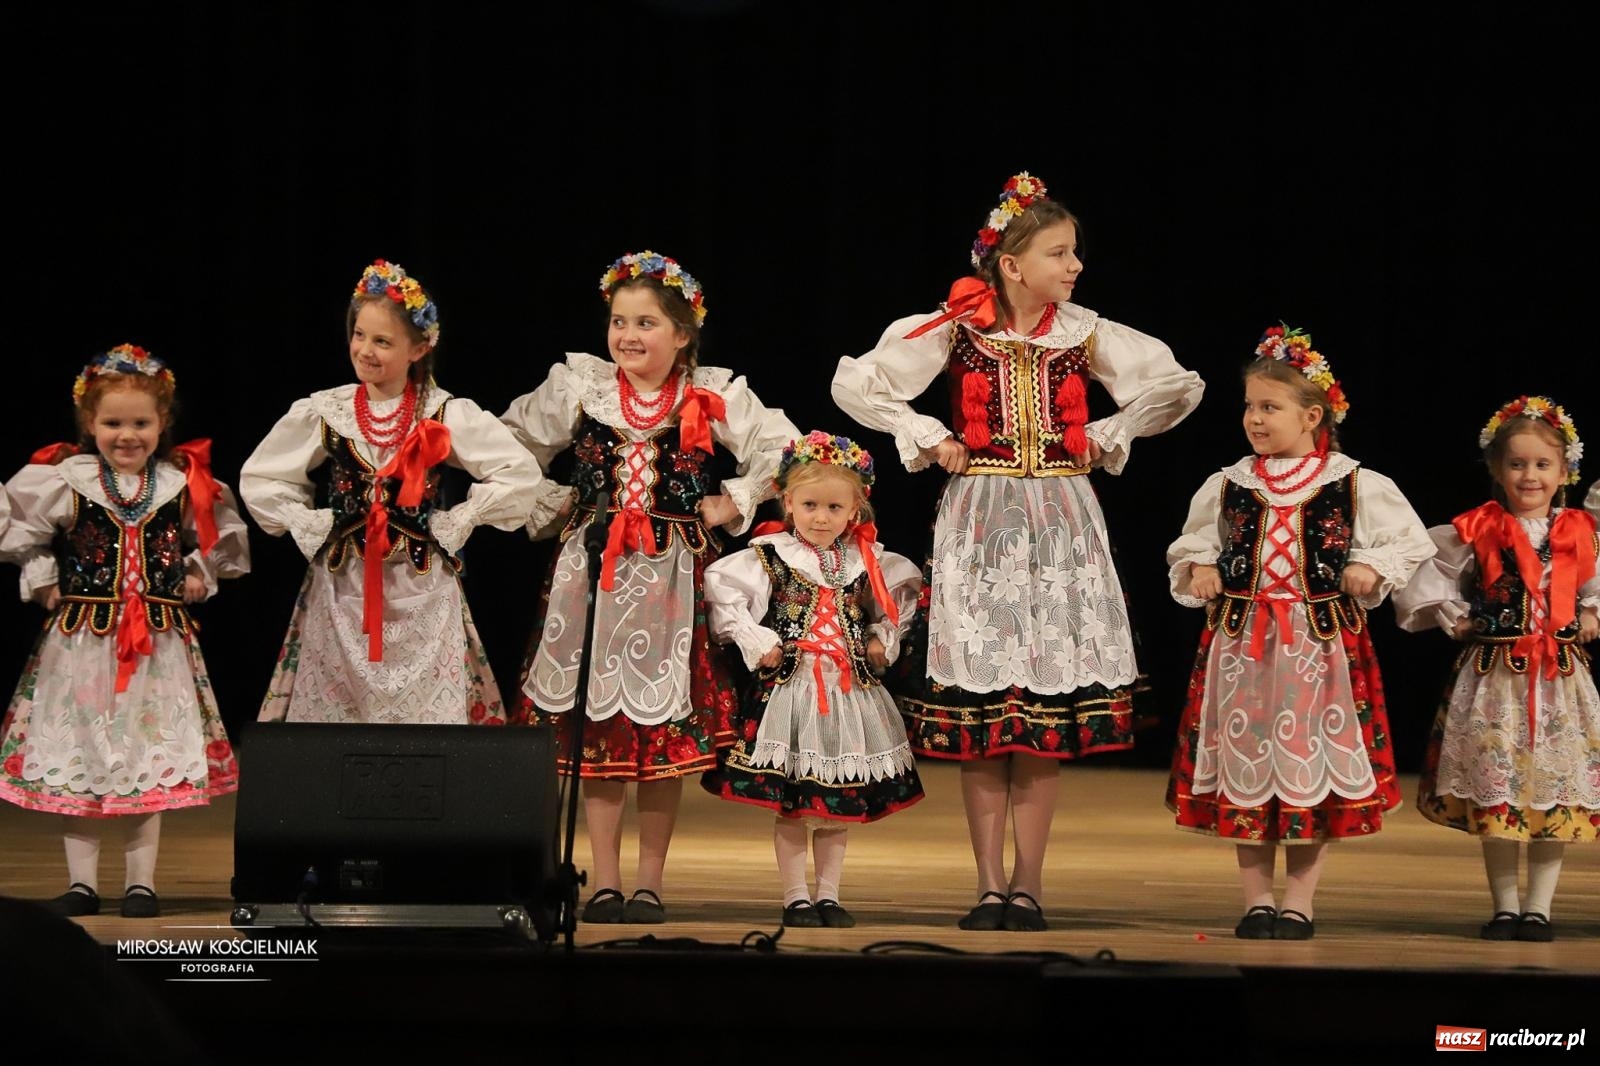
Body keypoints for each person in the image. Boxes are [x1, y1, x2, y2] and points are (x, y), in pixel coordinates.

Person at [832, 173, 1203, 930]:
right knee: (983, 712)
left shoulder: (1084, 331)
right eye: (1060, 254)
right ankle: (987, 883)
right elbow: (861, 380)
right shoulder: (957, 327)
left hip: (1062, 519)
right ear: (1012, 263)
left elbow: (1173, 384)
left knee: (1041, 710)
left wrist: (1105, 434)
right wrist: (928, 435)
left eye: (1075, 254)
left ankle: (1028, 884)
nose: (1074, 267)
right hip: (982, 520)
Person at [502, 251, 798, 923]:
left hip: (670, 580)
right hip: (593, 575)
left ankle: (650, 882)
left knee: (657, 738)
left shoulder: (713, 390)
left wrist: (734, 501)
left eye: (646, 323)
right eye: (618, 321)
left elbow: (783, 449)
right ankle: (603, 877)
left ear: (684, 334)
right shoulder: (582, 385)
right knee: (599, 728)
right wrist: (555, 503)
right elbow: (507, 442)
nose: (628, 336)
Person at [1165, 326, 1433, 939]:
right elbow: (1192, 542)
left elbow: (1410, 540)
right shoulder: (1231, 482)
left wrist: (1370, 566)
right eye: (1250, 407)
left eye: (1270, 407)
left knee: (1307, 769)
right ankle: (1258, 899)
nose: (1255, 419)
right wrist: (1202, 567)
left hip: (1318, 649)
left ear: (1312, 415)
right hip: (1244, 647)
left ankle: (1300, 903)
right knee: (1248, 765)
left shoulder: (1351, 481)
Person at [0, 345, 249, 918]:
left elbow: (219, 541)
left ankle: (142, 883)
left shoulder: (179, 482)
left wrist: (196, 573)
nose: (127, 435)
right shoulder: (68, 478)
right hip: (84, 644)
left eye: (141, 422)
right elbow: (24, 531)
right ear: (90, 424)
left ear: (163, 423)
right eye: (113, 423)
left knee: (143, 756)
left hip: (158, 647)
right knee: (83, 759)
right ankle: (82, 883)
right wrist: (42, 580)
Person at [241, 259, 546, 724]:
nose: (365, 349)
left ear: (419, 347)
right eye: (359, 334)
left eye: (382, 341)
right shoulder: (328, 411)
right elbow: (263, 477)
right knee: (340, 712)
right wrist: (305, 518)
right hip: (344, 585)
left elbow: (518, 472)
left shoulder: (443, 411)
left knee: (422, 716)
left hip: (419, 585)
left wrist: (461, 518)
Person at [1394, 396, 1598, 941]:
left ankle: (1540, 908)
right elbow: (1428, 573)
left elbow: (1593, 583)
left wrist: (1593, 610)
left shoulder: (1580, 530)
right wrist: (1453, 616)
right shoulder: (1479, 527)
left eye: (1541, 465)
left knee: (1550, 791)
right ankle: (1505, 906)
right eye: (1517, 464)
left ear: (1564, 471)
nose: (1529, 475)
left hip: (1557, 679)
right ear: (1495, 468)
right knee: (1499, 788)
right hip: (1494, 679)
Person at [702, 431, 923, 927]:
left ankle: (829, 894)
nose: (821, 517)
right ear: (788, 502)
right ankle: (795, 895)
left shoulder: (865, 561)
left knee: (834, 805)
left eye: (833, 508)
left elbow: (895, 604)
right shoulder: (772, 555)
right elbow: (725, 594)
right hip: (793, 690)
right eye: (810, 505)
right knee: (794, 804)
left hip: (848, 692)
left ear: (854, 511)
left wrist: (880, 638)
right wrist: (758, 642)